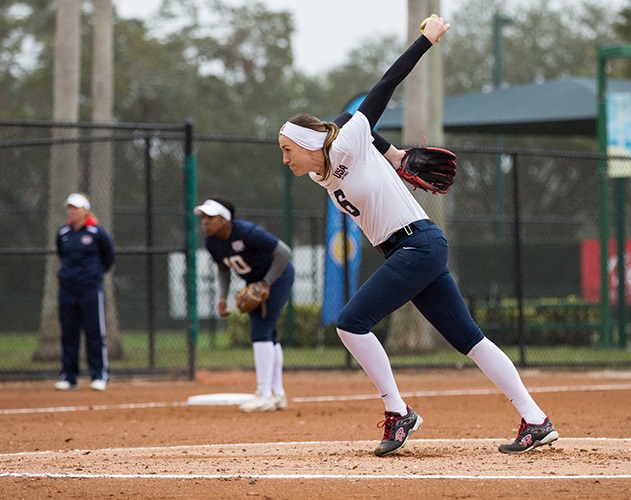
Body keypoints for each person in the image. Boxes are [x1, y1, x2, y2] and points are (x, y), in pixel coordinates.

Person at [277, 14, 559, 456]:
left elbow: (381, 90)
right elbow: (343, 123)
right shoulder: (323, 173)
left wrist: (424, 41)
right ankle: (536, 419)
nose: (285, 158)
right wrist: (390, 154)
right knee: (471, 339)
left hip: (418, 243)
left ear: (309, 144)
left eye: (287, 149)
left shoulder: (348, 140)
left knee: (351, 324)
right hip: (407, 250)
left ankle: (398, 412)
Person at [194, 197, 295, 412]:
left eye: (210, 217)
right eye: (203, 218)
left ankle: (264, 394)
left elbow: (284, 252)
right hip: (255, 283)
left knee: (261, 330)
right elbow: (223, 268)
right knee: (270, 335)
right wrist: (222, 296)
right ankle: (277, 394)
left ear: (223, 219)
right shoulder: (211, 241)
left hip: (277, 276)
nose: (205, 222)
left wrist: (266, 283)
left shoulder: (247, 232)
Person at [54, 193, 114, 391]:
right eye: (70, 207)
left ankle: (99, 375)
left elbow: (109, 257)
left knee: (94, 332)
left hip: (90, 289)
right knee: (69, 333)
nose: (72, 211)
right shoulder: (63, 233)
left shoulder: (97, 232)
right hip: (67, 289)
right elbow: (61, 255)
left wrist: (94, 275)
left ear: (85, 210)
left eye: (76, 207)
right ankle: (69, 376)